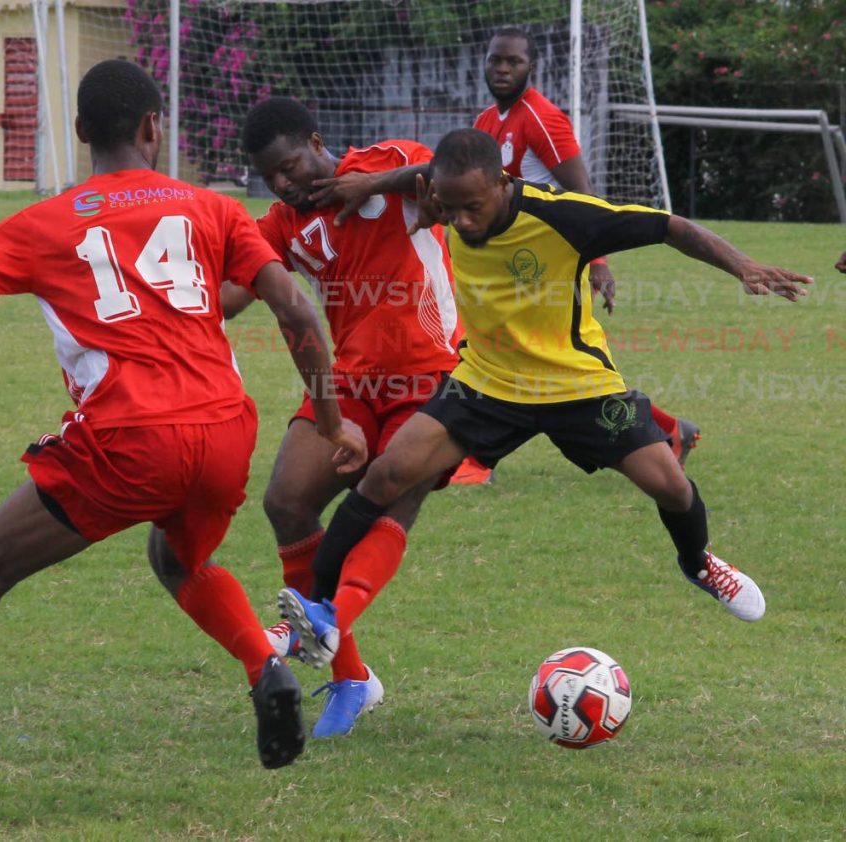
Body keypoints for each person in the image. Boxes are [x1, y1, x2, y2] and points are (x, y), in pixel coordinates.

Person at [0, 60, 368, 819]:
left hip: (130, 438)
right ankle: (264, 665)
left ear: (83, 131)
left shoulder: (44, 222)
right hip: (225, 431)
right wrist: (329, 422)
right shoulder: (212, 208)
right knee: (179, 556)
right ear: (155, 127)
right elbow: (293, 309)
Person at [280, 128, 812, 670]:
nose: (460, 221)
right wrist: (366, 183)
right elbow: (416, 177)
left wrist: (742, 265)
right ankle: (318, 607)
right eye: (451, 208)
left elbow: (668, 226)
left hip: (576, 383)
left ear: (502, 184)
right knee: (387, 475)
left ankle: (698, 562)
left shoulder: (563, 215)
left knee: (671, 486)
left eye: (472, 208)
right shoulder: (445, 193)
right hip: (486, 381)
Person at [151, 97, 462, 740]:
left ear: (318, 141)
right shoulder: (284, 224)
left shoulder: (387, 164)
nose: (286, 184)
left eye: (291, 166)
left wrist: (371, 184)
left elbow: (453, 168)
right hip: (348, 380)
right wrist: (182, 299)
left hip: (430, 376)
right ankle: (352, 677)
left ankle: (319, 622)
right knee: (287, 502)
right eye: (272, 178)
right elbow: (237, 292)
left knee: (389, 500)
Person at [473, 26, 700, 476]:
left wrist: (598, 262)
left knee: (568, 371)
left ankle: (473, 453)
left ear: (530, 67)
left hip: (555, 262)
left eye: (512, 61)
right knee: (525, 359)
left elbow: (584, 192)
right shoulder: (486, 121)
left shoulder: (541, 118)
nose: (502, 68)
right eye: (496, 59)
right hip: (512, 268)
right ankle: (670, 430)